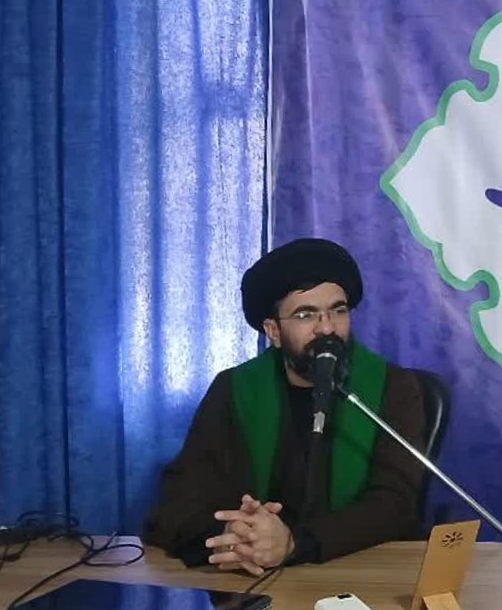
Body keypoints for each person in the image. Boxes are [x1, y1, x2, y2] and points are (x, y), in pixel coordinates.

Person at [143, 238, 427, 575]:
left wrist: (294, 544)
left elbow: (395, 504)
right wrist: (231, 535)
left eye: (338, 310)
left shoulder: (391, 387)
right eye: (306, 314)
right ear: (273, 331)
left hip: (359, 576)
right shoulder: (236, 389)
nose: (327, 327)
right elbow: (179, 501)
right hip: (251, 579)